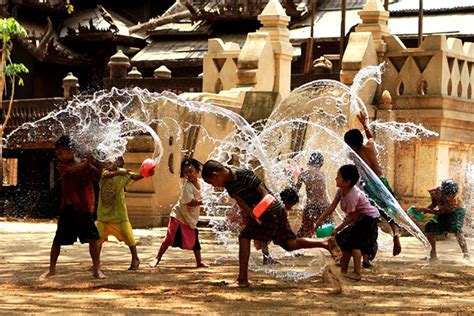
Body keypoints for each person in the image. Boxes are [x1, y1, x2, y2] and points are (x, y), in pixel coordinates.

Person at [201, 160, 340, 288]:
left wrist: (261, 213)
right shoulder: (229, 184)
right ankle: (325, 242)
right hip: (271, 212)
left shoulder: (243, 174)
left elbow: (264, 193)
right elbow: (240, 201)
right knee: (289, 244)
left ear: (215, 175)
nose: (214, 187)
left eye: (212, 183)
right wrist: (251, 215)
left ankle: (242, 280)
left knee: (244, 236)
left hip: (270, 211)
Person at [39, 135, 105, 280]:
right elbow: (72, 171)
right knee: (57, 241)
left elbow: (98, 176)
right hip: (69, 209)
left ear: (70, 151)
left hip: (84, 209)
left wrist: (100, 163)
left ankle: (96, 269)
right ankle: (52, 269)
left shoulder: (84, 163)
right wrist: (88, 162)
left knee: (94, 239)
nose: (59, 156)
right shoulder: (62, 166)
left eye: (60, 153)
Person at [344, 112, 402, 262]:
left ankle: (367, 256)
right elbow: (370, 136)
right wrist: (364, 124)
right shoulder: (370, 146)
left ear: (352, 146)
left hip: (370, 186)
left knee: (371, 218)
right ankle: (395, 234)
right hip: (382, 181)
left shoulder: (354, 155)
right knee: (390, 212)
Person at [315, 164, 380, 281]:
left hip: (368, 218)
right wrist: (321, 218)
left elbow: (351, 218)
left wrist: (337, 229)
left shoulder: (352, 196)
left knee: (355, 244)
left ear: (347, 182)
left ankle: (357, 273)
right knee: (346, 244)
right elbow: (332, 205)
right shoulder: (341, 190)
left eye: (338, 177)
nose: (335, 178)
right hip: (358, 217)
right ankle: (343, 271)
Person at [149, 158, 208, 268]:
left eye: (191, 171)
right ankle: (157, 258)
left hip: (190, 216)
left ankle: (199, 262)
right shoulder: (187, 187)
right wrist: (203, 202)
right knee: (169, 239)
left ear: (197, 171)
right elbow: (190, 202)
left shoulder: (201, 184)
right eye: (186, 173)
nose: (189, 174)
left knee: (195, 239)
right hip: (179, 216)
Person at [96, 157, 150, 270]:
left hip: (119, 214)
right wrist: (119, 172)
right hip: (103, 214)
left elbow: (136, 176)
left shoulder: (123, 174)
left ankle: (135, 258)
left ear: (119, 163)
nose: (109, 163)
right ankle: (96, 262)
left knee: (128, 236)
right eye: (108, 161)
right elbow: (105, 176)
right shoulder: (103, 172)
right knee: (98, 238)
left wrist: (148, 172)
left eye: (113, 161)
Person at [413, 179, 469, 261]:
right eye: (448, 195)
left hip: (456, 212)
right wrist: (420, 213)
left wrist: (423, 210)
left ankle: (466, 255)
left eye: (452, 195)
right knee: (429, 226)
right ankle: (433, 256)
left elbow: (440, 212)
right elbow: (434, 204)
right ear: (442, 192)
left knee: (455, 229)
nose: (450, 198)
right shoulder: (434, 192)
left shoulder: (454, 201)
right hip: (442, 210)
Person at [295, 152, 334, 238]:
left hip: (311, 206)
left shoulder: (304, 174)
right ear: (321, 163)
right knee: (332, 228)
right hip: (325, 206)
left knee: (306, 229)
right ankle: (335, 246)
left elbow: (295, 190)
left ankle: (298, 245)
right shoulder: (322, 174)